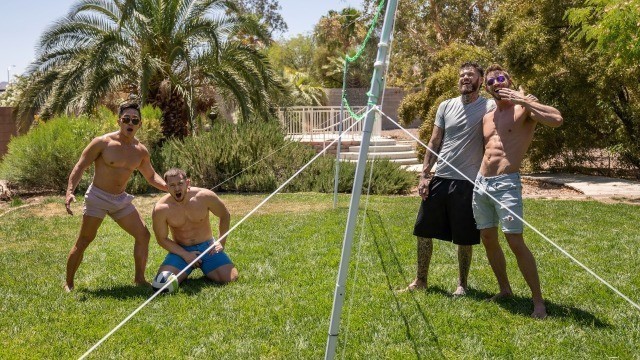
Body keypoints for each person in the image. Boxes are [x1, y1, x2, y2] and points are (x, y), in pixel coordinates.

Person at [473, 64, 563, 319]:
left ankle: (538, 302)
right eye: (491, 82)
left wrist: (525, 99)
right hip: (481, 183)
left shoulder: (524, 108)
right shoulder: (487, 116)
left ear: (509, 80)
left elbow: (556, 119)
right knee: (488, 238)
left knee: (515, 241)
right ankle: (505, 289)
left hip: (507, 183)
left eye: (501, 79)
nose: (497, 83)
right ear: (487, 88)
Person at [405, 62, 495, 295]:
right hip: (441, 177)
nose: (465, 77)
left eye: (471, 75)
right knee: (423, 231)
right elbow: (434, 142)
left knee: (464, 237)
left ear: (480, 80)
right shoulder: (446, 106)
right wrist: (425, 175)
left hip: (468, 181)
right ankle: (421, 280)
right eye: (462, 75)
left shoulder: (489, 106)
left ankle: (462, 284)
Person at [64, 101, 167, 292]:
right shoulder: (103, 143)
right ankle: (69, 283)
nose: (130, 123)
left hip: (120, 200)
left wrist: (169, 187)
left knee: (143, 235)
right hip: (98, 197)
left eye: (134, 120)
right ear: (119, 120)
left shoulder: (140, 151)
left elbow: (151, 176)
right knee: (85, 240)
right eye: (126, 119)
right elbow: (80, 166)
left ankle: (139, 279)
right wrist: (70, 191)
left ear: (140, 124)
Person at [152, 168, 238, 285]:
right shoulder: (161, 208)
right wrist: (185, 255)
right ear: (166, 187)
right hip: (181, 250)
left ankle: (207, 266)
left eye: (180, 184)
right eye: (172, 185)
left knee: (230, 278)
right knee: (161, 283)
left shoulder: (205, 196)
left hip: (208, 248)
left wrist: (221, 242)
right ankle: (186, 267)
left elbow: (224, 215)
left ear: (187, 183)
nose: (177, 188)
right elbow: (161, 239)